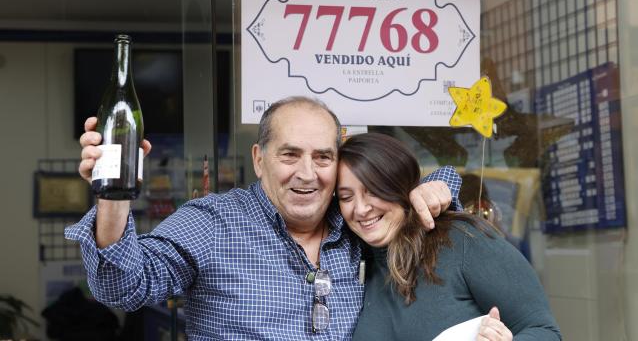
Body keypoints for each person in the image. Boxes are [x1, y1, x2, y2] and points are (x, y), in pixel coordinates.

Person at [66, 96, 462, 340]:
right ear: (259, 159)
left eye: (322, 157)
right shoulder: (213, 223)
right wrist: (114, 194)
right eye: (290, 155)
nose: (307, 173)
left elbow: (435, 186)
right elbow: (121, 288)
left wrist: (436, 187)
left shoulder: (357, 223)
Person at [337, 133, 562, 341]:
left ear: (401, 188)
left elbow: (545, 332)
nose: (360, 209)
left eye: (374, 191)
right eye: (346, 197)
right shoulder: (353, 262)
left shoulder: (462, 240)